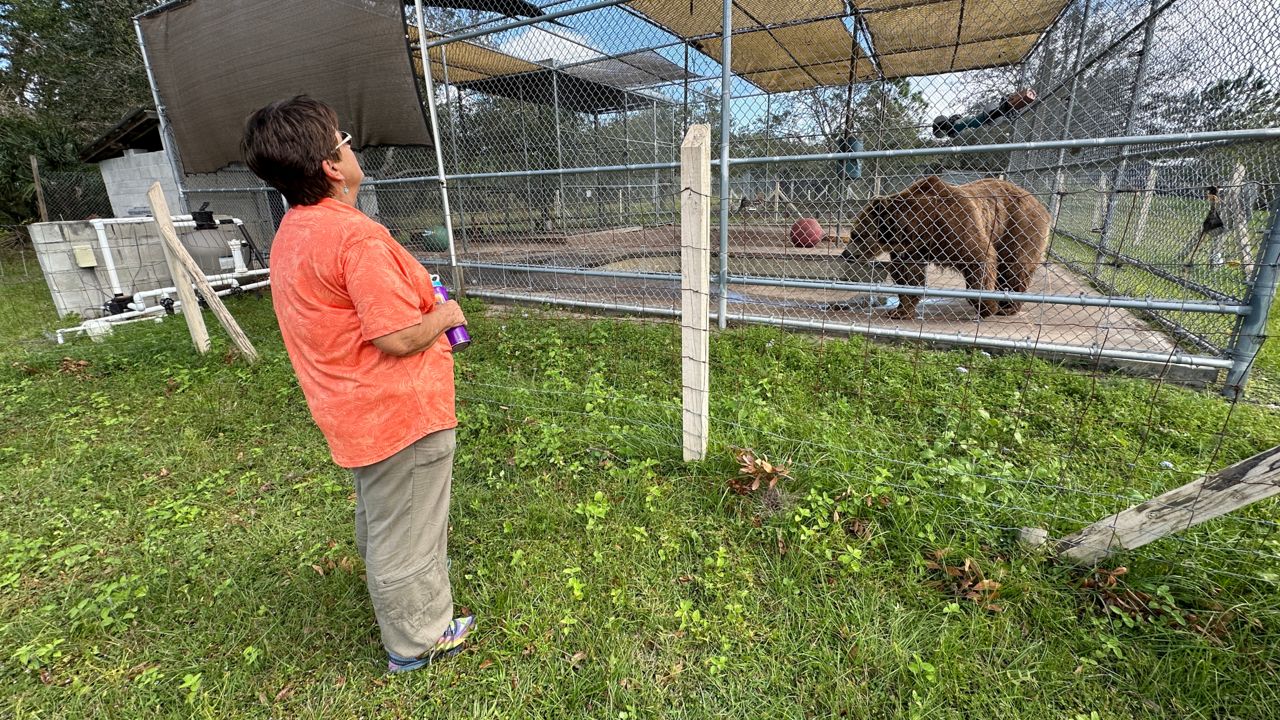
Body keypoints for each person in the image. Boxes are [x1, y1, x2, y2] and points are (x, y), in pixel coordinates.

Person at [241, 96, 474, 674]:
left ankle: (395, 600)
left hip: (350, 409)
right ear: (329, 166)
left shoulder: (295, 230)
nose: (351, 147)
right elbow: (396, 337)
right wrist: (445, 317)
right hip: (398, 411)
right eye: (342, 140)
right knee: (412, 527)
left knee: (386, 514)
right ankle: (415, 639)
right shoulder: (356, 239)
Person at [1181, 186, 1225, 268]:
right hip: (1214, 220)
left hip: (1222, 218)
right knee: (1204, 235)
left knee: (1217, 239)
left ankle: (1214, 262)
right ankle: (1187, 259)